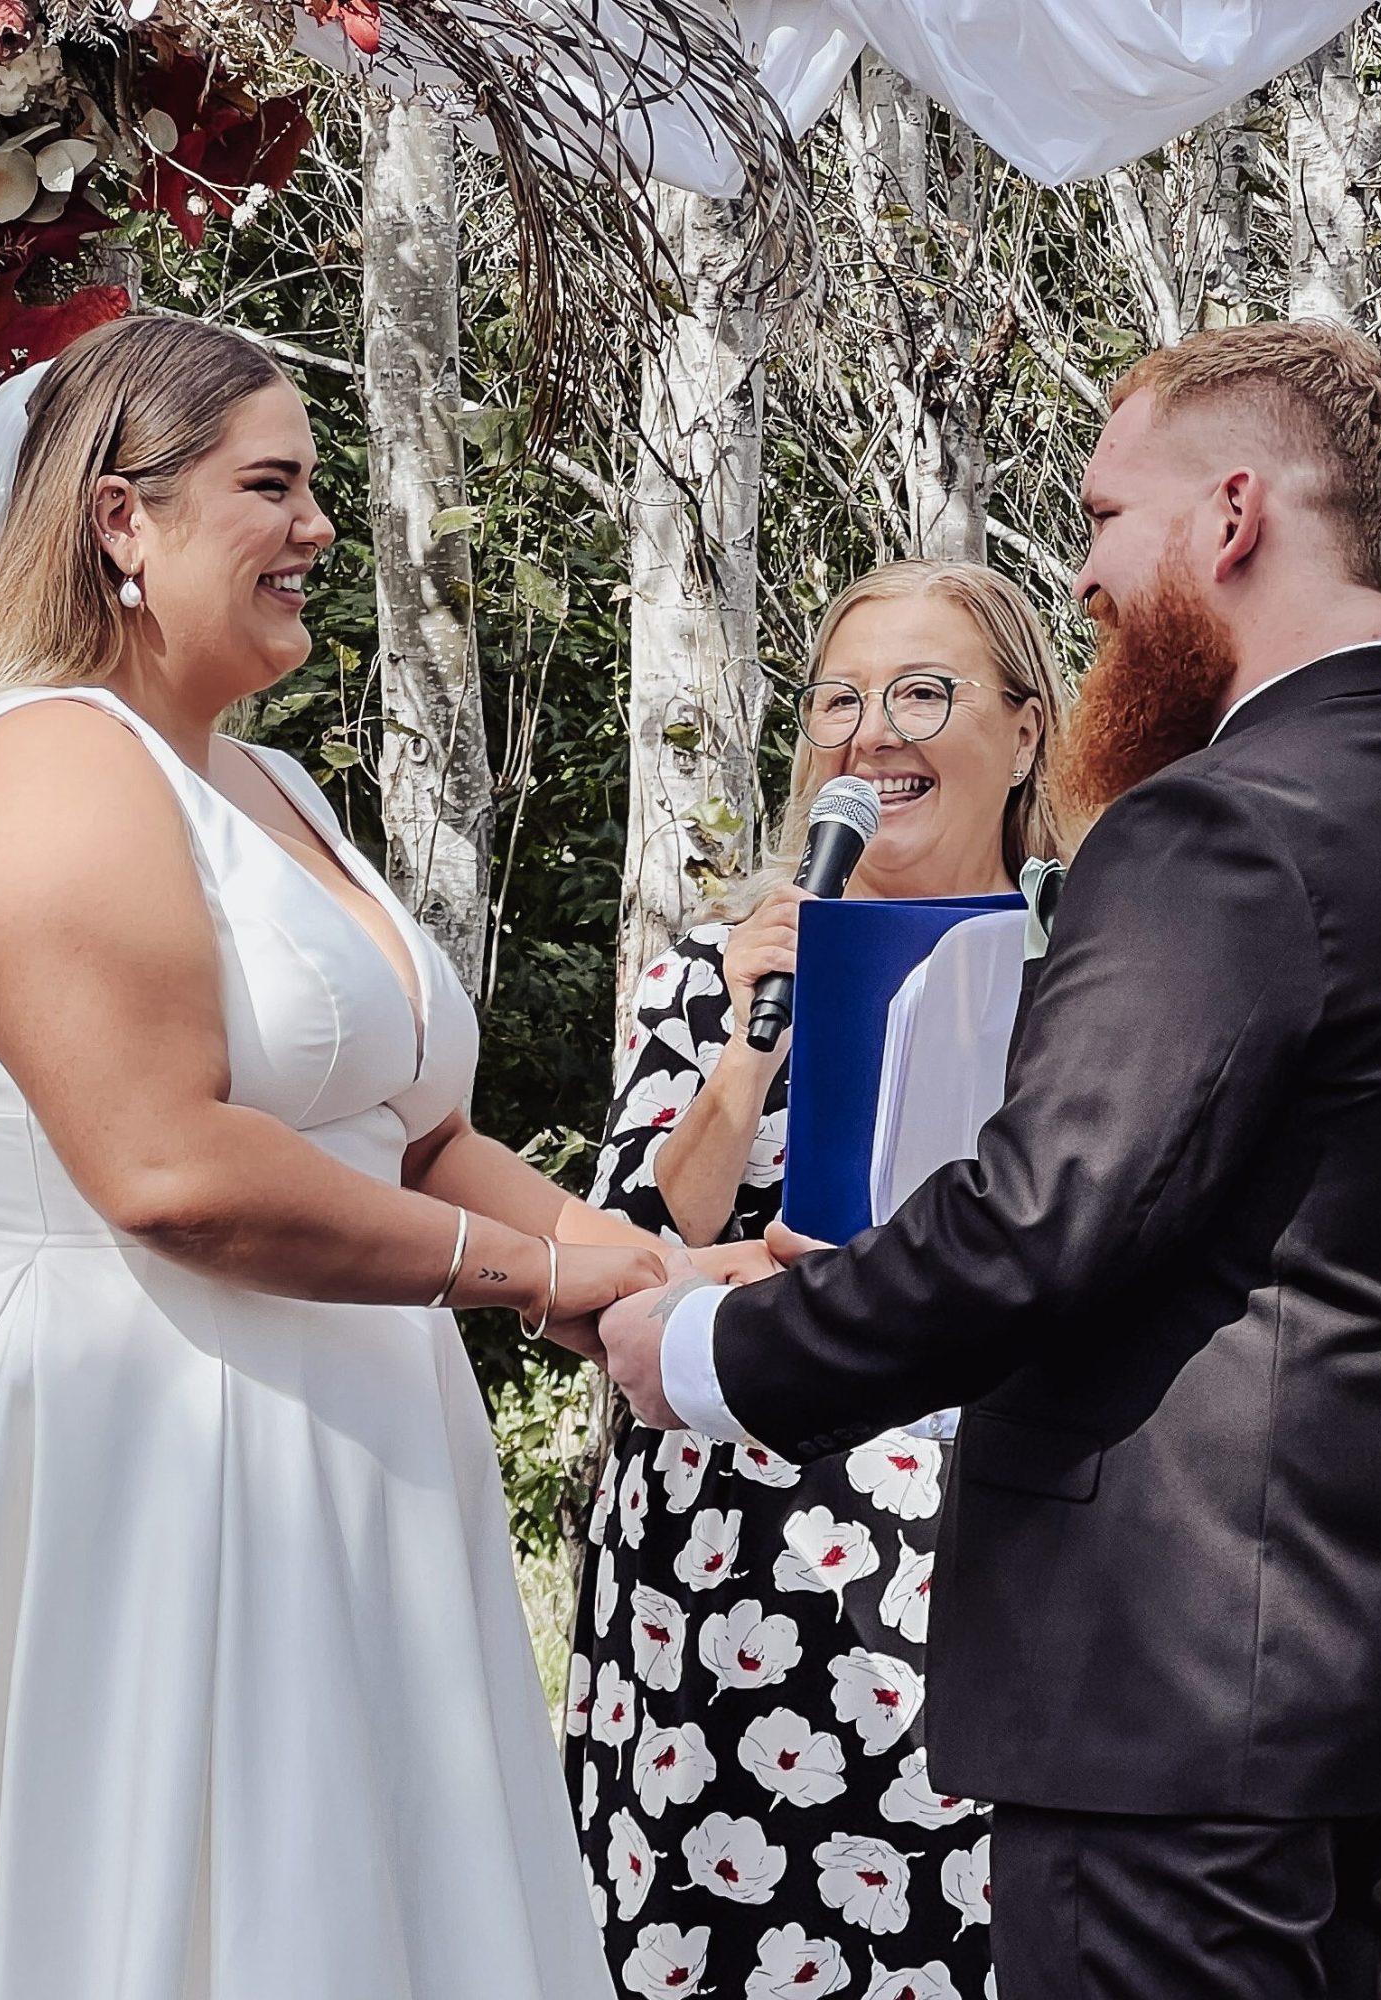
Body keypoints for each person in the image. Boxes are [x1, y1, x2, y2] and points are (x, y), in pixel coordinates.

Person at [0, 313, 768, 1998]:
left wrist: (659, 1275)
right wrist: (536, 1275)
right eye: (271, 486)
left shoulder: (272, 785)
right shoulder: (39, 763)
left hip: (331, 1463)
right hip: (109, 1461)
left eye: (315, 485)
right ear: (122, 518)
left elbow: (418, 1136)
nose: (317, 525)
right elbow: (164, 1166)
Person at [601, 320, 1381, 2000]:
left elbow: (1038, 1219)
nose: (1091, 572)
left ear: (1234, 515)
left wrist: (707, 1350)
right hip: (1338, 1667)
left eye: (1112, 516)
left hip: (1173, 1688)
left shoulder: (1224, 825)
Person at [564, 561, 1067, 1999]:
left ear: (1025, 731)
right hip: (717, 1571)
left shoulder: (1085, 970)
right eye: (840, 700)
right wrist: (750, 1042)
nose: (873, 732)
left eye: (924, 692)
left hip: (980, 1555)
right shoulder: (711, 972)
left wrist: (752, 1275)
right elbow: (615, 1255)